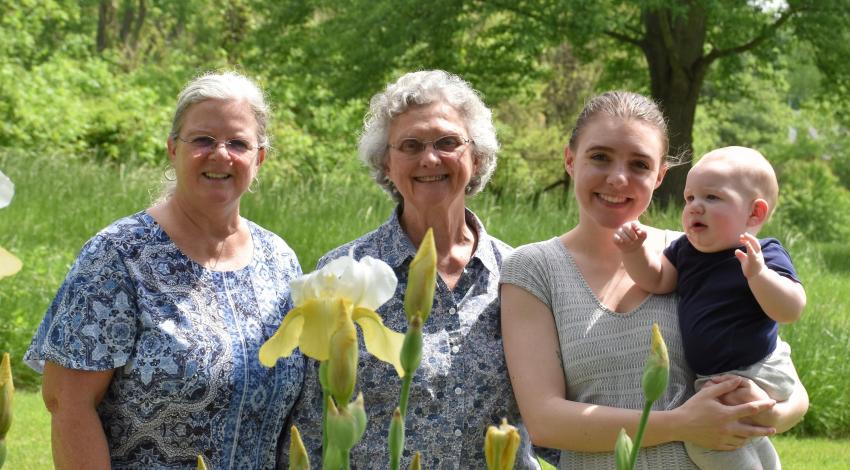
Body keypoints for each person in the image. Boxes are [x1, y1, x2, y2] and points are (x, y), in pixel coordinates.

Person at [500, 91, 809, 468]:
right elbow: (546, 421)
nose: (617, 178)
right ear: (570, 160)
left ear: (660, 175)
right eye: (600, 157)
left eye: (639, 164)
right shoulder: (533, 268)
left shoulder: (700, 251)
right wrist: (680, 424)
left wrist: (768, 415)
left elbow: (785, 381)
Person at [24, 71, 304, 469]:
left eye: (238, 143)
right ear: (173, 149)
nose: (220, 154)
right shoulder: (118, 256)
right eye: (203, 139)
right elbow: (67, 403)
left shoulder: (279, 260)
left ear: (259, 158)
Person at [281, 70, 553, 469]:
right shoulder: (346, 274)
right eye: (410, 145)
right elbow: (309, 423)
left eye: (447, 143)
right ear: (386, 164)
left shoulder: (520, 274)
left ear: (476, 158)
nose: (429, 158)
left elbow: (552, 418)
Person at [613, 146, 806, 469]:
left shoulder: (761, 253)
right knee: (737, 436)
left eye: (712, 198)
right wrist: (634, 253)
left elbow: (790, 309)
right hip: (717, 377)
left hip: (759, 368)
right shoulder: (685, 251)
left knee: (708, 444)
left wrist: (758, 275)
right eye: (690, 198)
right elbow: (658, 279)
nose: (695, 207)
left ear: (754, 214)